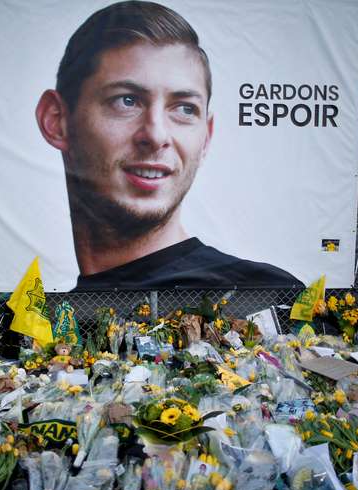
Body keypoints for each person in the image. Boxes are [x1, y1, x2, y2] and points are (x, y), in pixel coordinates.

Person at [35, 0, 302, 290]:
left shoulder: (263, 297)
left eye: (185, 109)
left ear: (206, 138)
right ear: (56, 120)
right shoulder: (23, 319)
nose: (156, 135)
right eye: (127, 100)